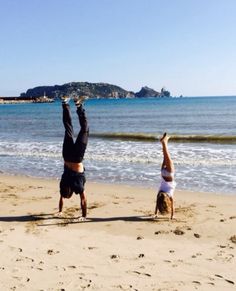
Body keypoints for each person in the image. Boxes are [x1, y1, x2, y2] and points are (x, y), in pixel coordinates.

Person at [58, 94, 89, 221]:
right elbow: (61, 198)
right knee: (68, 128)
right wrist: (60, 211)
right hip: (66, 155)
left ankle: (79, 106)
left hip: (77, 157)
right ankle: (65, 103)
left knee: (85, 129)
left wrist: (84, 216)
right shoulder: (63, 184)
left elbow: (83, 200)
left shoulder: (78, 187)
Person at [154, 133, 176, 219]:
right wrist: (155, 213)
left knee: (167, 154)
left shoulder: (169, 195)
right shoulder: (159, 194)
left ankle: (164, 142)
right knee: (165, 156)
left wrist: (172, 216)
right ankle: (164, 142)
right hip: (163, 173)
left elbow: (173, 206)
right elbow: (156, 204)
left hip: (170, 174)